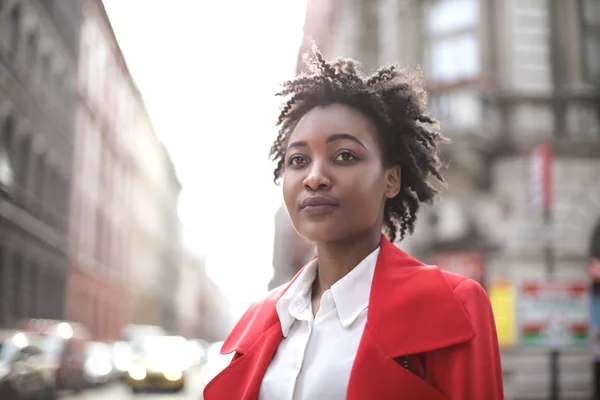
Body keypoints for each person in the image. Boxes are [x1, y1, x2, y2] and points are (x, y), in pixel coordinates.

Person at [203, 46, 504, 400]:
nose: (314, 177)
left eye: (344, 155)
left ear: (391, 180)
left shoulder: (455, 305)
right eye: (298, 159)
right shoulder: (261, 318)